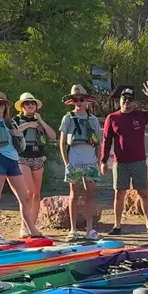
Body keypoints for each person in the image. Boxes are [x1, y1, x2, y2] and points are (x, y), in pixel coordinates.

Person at [0, 91, 41, 241]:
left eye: (1, 103)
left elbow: (20, 143)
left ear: (6, 106)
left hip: (12, 160)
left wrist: (18, 134)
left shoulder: (11, 122)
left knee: (25, 197)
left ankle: (32, 229)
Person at [101, 81, 148, 235]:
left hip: (138, 162)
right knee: (119, 193)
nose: (127, 103)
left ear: (134, 102)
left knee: (143, 192)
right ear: (120, 101)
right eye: (124, 100)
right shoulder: (112, 118)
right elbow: (107, 140)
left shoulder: (140, 115)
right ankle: (117, 226)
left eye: (130, 100)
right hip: (120, 163)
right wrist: (103, 161)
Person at [58, 84, 103, 241]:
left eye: (81, 99)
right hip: (74, 161)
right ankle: (73, 230)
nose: (79, 102)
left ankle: (90, 229)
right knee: (74, 194)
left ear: (86, 101)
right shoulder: (67, 118)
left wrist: (98, 161)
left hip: (90, 161)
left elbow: (99, 142)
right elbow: (62, 142)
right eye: (75, 99)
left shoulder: (93, 119)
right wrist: (66, 162)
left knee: (90, 194)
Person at [12, 92, 55, 236]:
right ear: (22, 106)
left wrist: (40, 121)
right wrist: (27, 125)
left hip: (38, 158)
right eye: (27, 103)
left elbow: (52, 136)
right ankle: (24, 226)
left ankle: (33, 226)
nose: (30, 105)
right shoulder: (16, 120)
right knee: (28, 193)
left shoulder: (39, 121)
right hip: (22, 158)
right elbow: (11, 132)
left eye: (33, 103)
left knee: (36, 194)